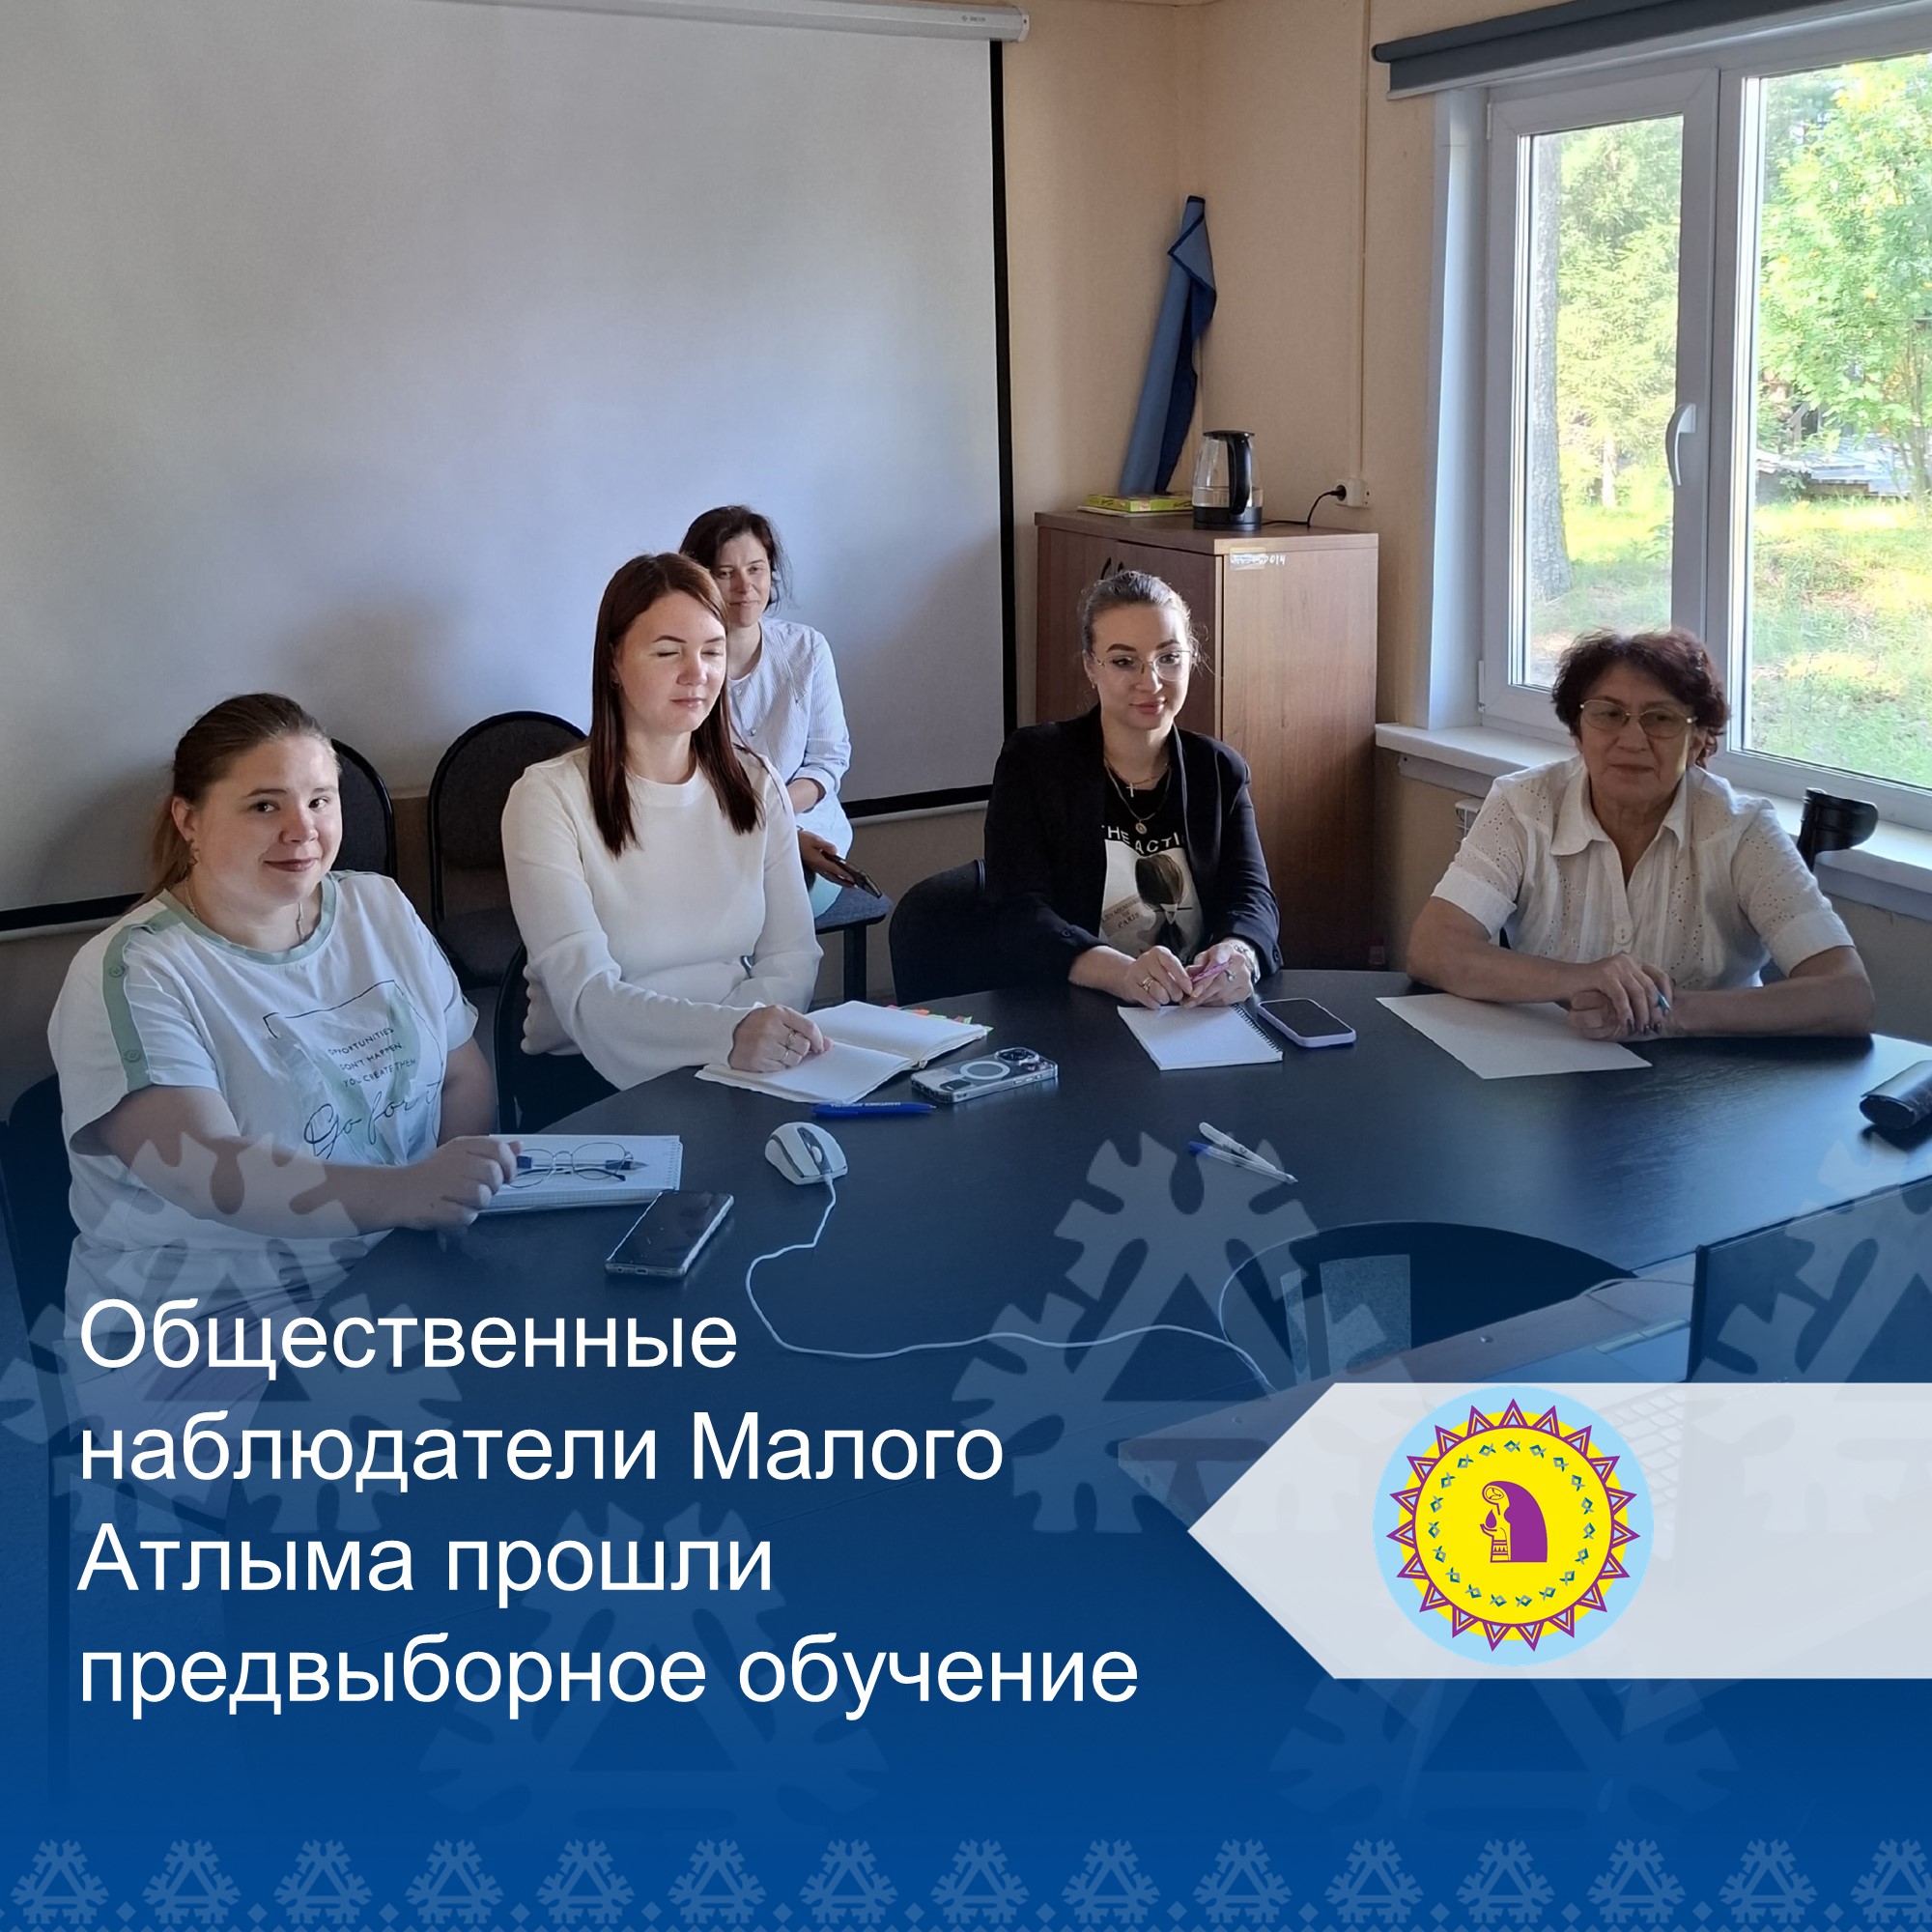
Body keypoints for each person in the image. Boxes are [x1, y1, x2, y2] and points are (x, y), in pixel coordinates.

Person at [48, 694, 515, 1313]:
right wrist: (409, 1194)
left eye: (320, 800)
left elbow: (462, 1076)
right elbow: (207, 1172)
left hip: (402, 1264)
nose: (303, 830)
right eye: (265, 805)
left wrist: (448, 1209)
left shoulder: (379, 905)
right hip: (217, 1316)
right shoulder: (132, 970)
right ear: (188, 821)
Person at [1406, 627, 1873, 1040]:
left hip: (1710, 1080)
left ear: (1697, 739)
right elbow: (1433, 948)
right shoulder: (1522, 805)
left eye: (1660, 719)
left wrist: (1667, 1013)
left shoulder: (1742, 829)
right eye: (1608, 715)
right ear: (1577, 732)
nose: (1632, 740)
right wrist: (1581, 979)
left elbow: (1847, 995)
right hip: (1554, 1064)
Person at [502, 551, 824, 1089]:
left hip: (738, 1065)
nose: (697, 674)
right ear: (613, 662)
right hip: (590, 1076)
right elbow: (587, 997)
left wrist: (740, 1035)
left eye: (713, 651)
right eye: (668, 652)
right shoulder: (547, 798)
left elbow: (792, 955)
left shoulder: (756, 782)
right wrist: (726, 1034)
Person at [983, 569, 1281, 1006]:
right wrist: (1120, 974)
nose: (1152, 682)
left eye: (1169, 657)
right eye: (1125, 661)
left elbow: (1253, 900)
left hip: (1193, 1012)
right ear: (1091, 666)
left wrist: (1239, 954)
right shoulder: (1035, 761)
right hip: (1072, 1010)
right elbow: (1018, 912)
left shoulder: (1218, 769)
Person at [680, 504, 858, 916]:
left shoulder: (807, 649)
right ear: (699, 580)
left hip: (808, 826)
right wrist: (769, 831)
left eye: (756, 569)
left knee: (779, 898)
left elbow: (828, 760)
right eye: (725, 573)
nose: (745, 586)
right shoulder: (685, 667)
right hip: (716, 837)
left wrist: (775, 820)